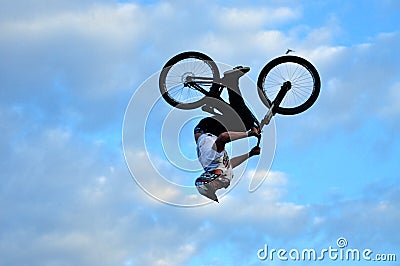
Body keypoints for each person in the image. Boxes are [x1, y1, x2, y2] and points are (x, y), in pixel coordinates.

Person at [194, 66, 261, 202]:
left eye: (214, 187)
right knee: (239, 116)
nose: (218, 187)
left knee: (244, 122)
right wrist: (250, 154)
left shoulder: (211, 159)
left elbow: (224, 137)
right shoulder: (220, 171)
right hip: (211, 132)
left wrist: (249, 134)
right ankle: (215, 99)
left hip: (207, 128)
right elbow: (230, 164)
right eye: (216, 189)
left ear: (207, 179)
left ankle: (230, 81)